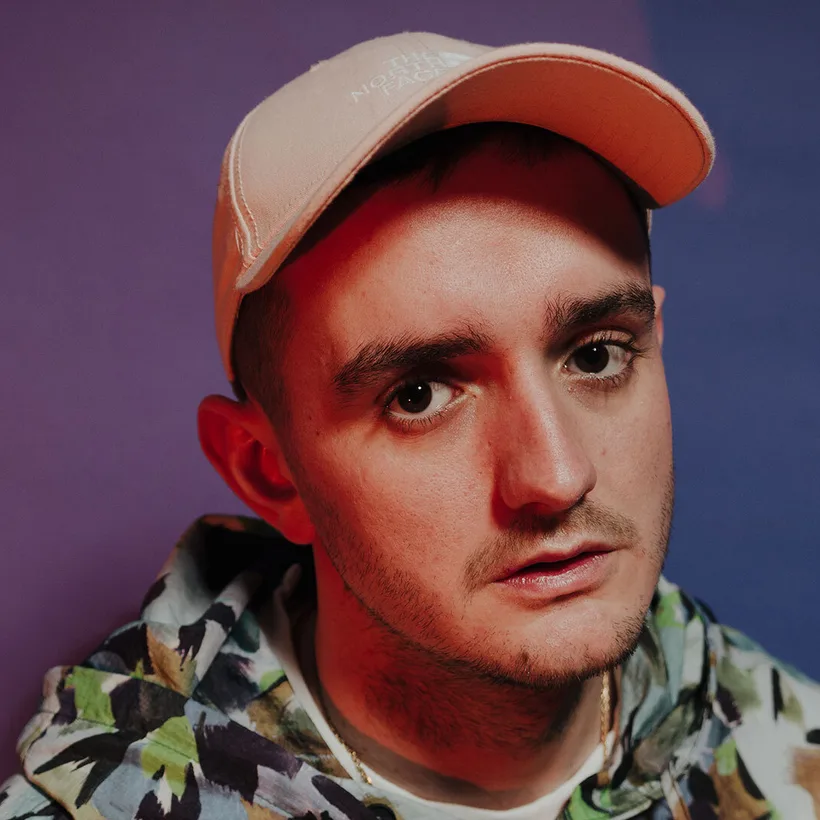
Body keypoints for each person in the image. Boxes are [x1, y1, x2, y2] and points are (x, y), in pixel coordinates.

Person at [1, 30, 819, 820]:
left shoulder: (794, 757)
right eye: (420, 395)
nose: (557, 475)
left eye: (596, 355)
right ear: (266, 469)